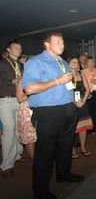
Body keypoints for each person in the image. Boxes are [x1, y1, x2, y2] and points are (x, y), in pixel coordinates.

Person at [22, 32, 84, 199]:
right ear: (47, 44)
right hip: (48, 112)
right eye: (58, 42)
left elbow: (68, 86)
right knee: (45, 153)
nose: (62, 45)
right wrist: (57, 81)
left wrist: (74, 102)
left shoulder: (63, 62)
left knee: (65, 147)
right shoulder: (35, 62)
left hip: (67, 109)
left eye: (63, 42)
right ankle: (40, 191)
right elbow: (29, 89)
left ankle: (64, 174)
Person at [0, 40, 24, 178]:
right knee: (9, 132)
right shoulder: (2, 63)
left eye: (20, 47)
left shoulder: (20, 65)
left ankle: (16, 154)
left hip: (18, 99)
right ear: (8, 50)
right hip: (5, 100)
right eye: (16, 47)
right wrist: (12, 81)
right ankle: (6, 165)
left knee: (17, 130)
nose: (19, 49)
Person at [68, 57, 93, 159]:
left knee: (83, 127)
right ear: (68, 63)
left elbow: (87, 89)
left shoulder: (81, 74)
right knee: (71, 128)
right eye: (72, 62)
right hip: (70, 103)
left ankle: (83, 148)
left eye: (76, 62)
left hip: (82, 103)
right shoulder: (66, 75)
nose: (75, 63)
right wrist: (75, 102)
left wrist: (83, 101)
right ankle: (72, 150)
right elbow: (67, 91)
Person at [16, 79, 36, 160]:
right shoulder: (22, 80)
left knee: (43, 136)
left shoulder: (42, 77)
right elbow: (19, 99)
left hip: (42, 108)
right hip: (27, 109)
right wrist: (36, 91)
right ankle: (35, 162)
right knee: (29, 138)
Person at [82, 57, 96, 133]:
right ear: (86, 63)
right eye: (89, 62)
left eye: (93, 62)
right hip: (88, 93)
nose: (91, 63)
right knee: (89, 111)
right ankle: (90, 129)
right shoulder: (83, 71)